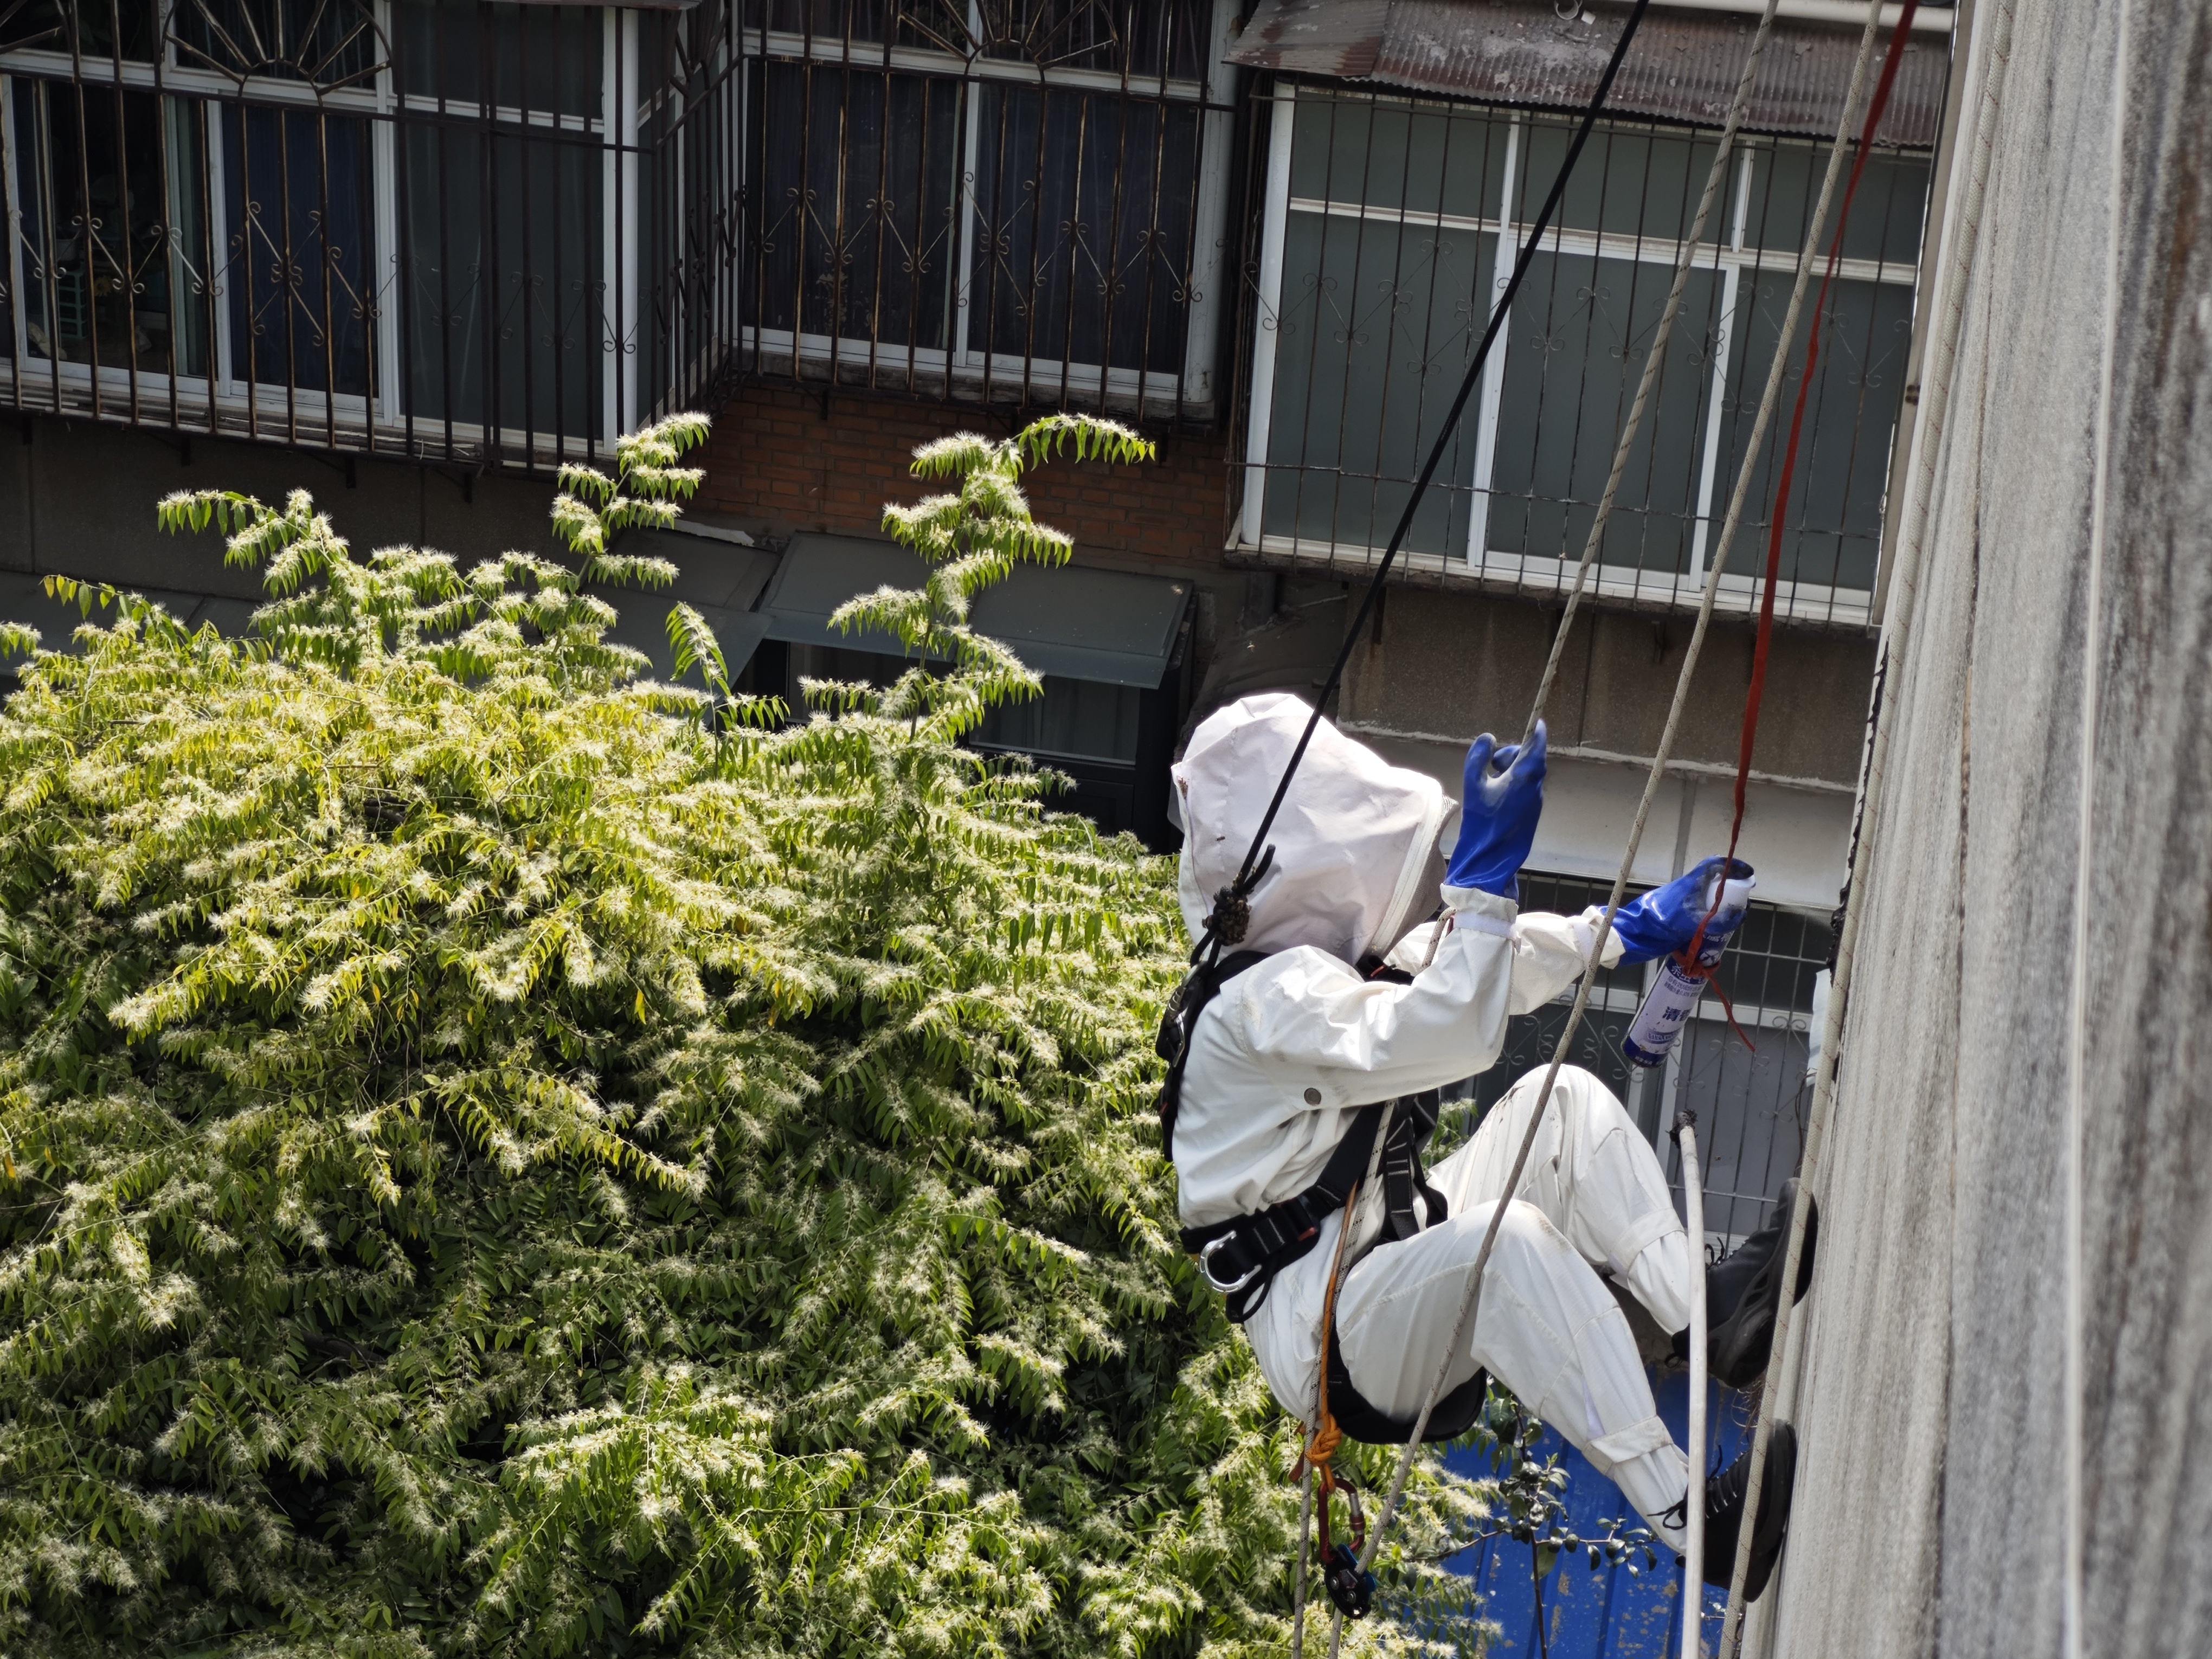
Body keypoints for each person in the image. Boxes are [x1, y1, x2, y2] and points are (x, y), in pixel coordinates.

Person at [1161, 693, 1809, 1597]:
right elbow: (1453, 1024)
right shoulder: (1260, 1010)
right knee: (1505, 1252)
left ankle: (1712, 1319)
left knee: (1559, 1103)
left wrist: (1625, 931)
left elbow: (1464, 966)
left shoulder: (1306, 977)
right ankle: (1700, 1523)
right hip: (1337, 1336)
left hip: (1390, 1257)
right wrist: (1487, 881)